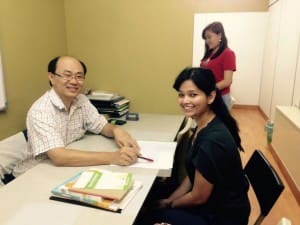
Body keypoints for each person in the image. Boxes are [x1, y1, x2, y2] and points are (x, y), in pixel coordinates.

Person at [136, 68, 250, 225]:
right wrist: (170, 199)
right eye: (181, 95)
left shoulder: (212, 141)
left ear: (210, 96)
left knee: (145, 216)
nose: (185, 101)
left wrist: (170, 205)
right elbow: (192, 177)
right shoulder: (204, 124)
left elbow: (198, 197)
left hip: (221, 217)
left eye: (193, 95)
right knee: (149, 198)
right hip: (212, 205)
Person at [13, 56, 140, 177]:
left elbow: (101, 125)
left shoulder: (81, 100)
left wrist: (116, 130)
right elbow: (59, 157)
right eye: (67, 75)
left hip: (68, 165)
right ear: (51, 77)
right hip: (34, 173)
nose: (74, 81)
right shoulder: (41, 110)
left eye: (79, 76)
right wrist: (114, 157)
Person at [200, 21, 236, 109]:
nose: (207, 41)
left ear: (219, 35)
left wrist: (208, 89)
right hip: (208, 96)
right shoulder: (209, 54)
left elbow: (227, 81)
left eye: (209, 37)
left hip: (221, 98)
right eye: (205, 38)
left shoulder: (228, 53)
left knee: (219, 123)